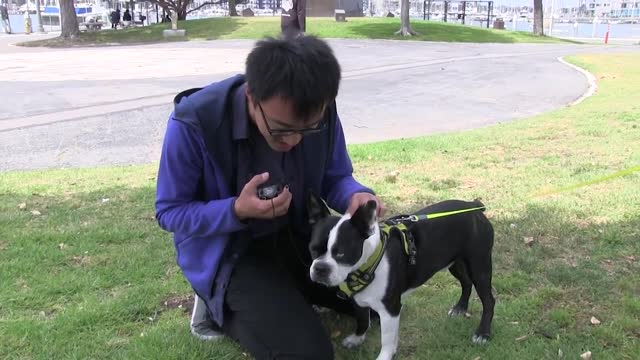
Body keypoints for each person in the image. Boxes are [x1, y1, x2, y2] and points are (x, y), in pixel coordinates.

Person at [155, 35, 385, 359]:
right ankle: (215, 303)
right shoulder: (195, 121)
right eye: (280, 129)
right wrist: (235, 210)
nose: (293, 140)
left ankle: (289, 291)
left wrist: (356, 194)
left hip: (301, 240)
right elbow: (169, 211)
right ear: (251, 96)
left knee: (375, 303)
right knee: (308, 354)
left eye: (307, 129)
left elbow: (336, 176)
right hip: (235, 253)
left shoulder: (319, 107)